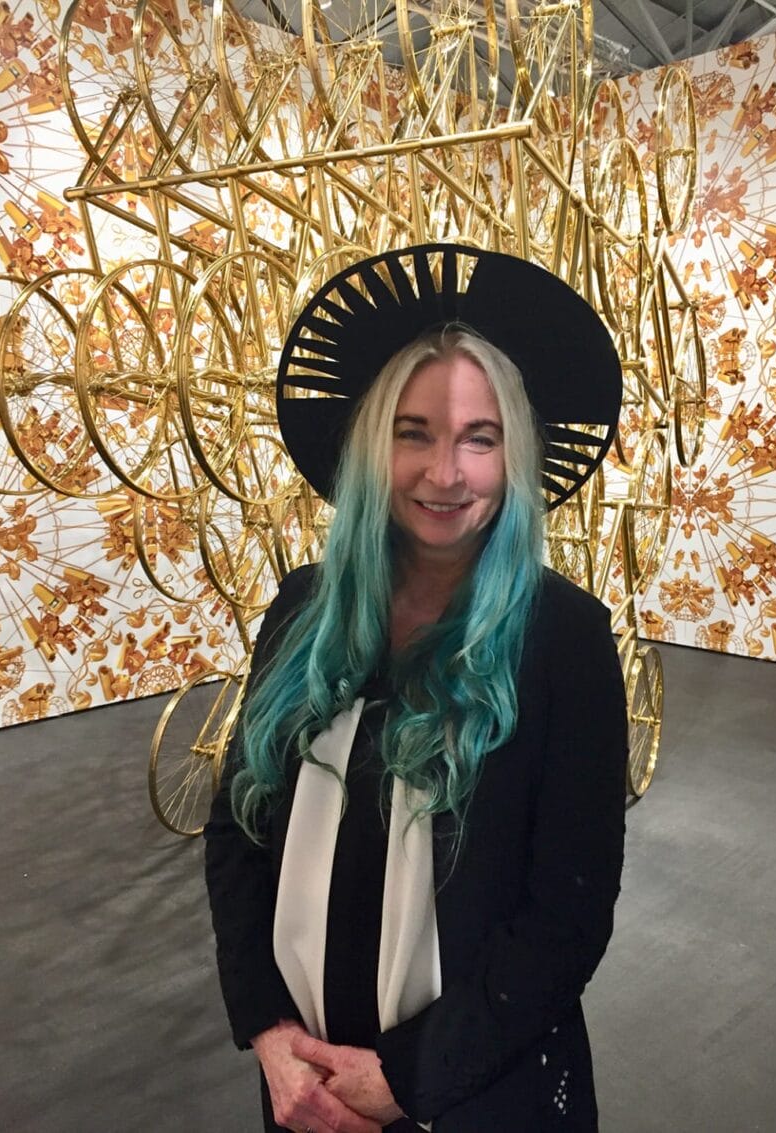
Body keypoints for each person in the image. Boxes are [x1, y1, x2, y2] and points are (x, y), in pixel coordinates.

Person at [204, 244, 629, 1132]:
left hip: (476, 1090)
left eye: (481, 438)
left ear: (515, 456)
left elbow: (566, 914)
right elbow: (238, 831)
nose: (447, 473)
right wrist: (271, 1035)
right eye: (414, 433)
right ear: (372, 445)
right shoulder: (301, 608)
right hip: (305, 1088)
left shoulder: (564, 640)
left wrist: (407, 1077)